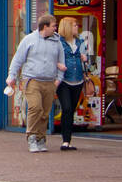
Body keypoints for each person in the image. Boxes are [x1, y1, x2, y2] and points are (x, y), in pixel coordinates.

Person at [6, 13, 66, 153]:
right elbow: (18, 59)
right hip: (32, 79)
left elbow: (62, 62)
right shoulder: (29, 40)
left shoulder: (57, 42)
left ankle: (41, 138)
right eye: (53, 26)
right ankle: (31, 137)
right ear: (45, 27)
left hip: (50, 81)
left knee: (45, 112)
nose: (55, 28)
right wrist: (11, 75)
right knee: (35, 108)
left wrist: (58, 79)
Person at [55, 16, 90, 151]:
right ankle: (65, 140)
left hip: (78, 79)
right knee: (67, 108)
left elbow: (87, 58)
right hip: (64, 79)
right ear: (68, 27)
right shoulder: (59, 42)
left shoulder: (80, 42)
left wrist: (85, 58)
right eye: (75, 25)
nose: (77, 27)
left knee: (71, 110)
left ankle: (68, 140)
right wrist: (59, 65)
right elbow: (53, 58)